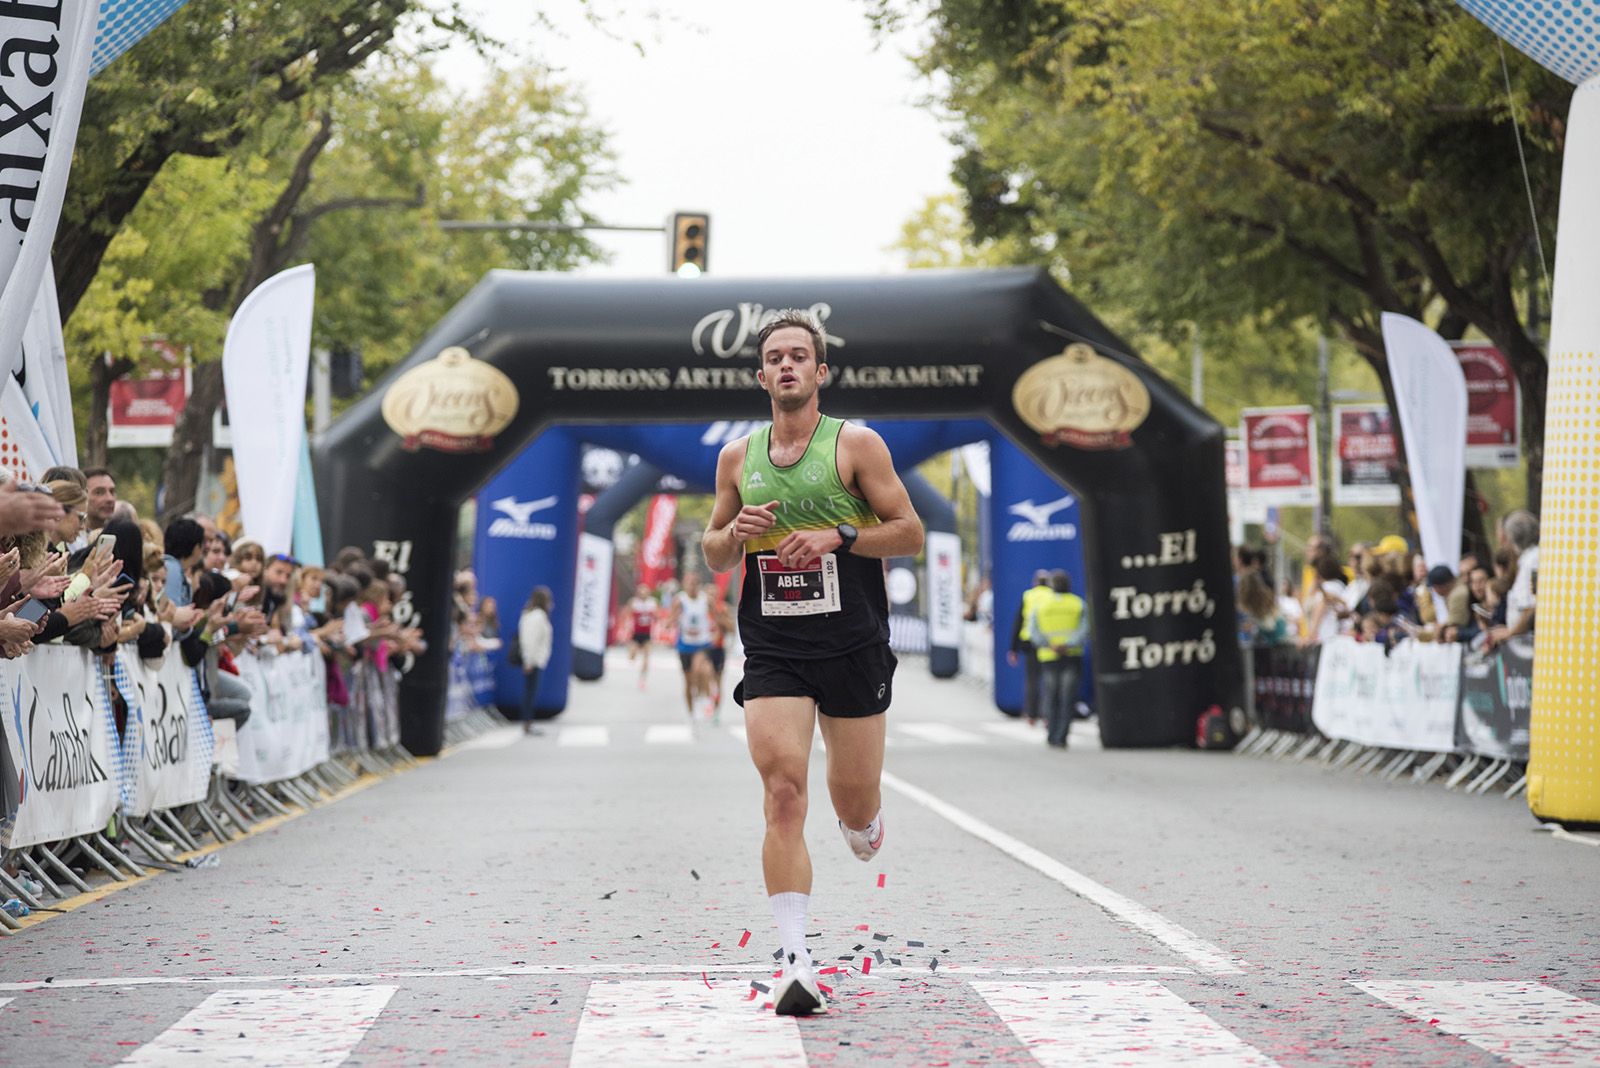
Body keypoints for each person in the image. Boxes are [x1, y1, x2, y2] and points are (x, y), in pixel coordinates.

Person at [701, 307, 924, 1017]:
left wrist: (840, 535)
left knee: (851, 806)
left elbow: (910, 532)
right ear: (762, 374)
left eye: (801, 355)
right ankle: (794, 959)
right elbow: (711, 549)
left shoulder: (855, 446)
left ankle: (864, 821)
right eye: (777, 357)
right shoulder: (738, 459)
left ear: (820, 372)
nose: (788, 365)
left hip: (854, 644)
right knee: (783, 791)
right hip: (775, 646)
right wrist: (734, 532)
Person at [1030, 570, 1086, 749]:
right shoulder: (1078, 604)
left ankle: (1051, 733)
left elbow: (1034, 630)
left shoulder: (1041, 605)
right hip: (1071, 655)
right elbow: (1085, 629)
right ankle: (1062, 735)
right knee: (1067, 697)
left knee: (1051, 695)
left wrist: (1048, 645)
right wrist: (1068, 644)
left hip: (1048, 656)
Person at [668, 570, 715, 721]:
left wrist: (718, 629)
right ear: (684, 584)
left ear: (699, 585)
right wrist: (673, 620)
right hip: (685, 644)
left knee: (701, 670)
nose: (692, 586)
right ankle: (691, 713)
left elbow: (717, 615)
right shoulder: (680, 600)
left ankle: (705, 698)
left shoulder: (706, 599)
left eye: (695, 583)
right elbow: (669, 621)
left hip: (703, 642)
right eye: (689, 583)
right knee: (688, 683)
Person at [1007, 569, 1051, 726]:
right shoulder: (1053, 597)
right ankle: (1047, 715)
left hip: (1029, 642)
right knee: (1048, 680)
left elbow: (1018, 622)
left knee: (1032, 680)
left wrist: (1013, 649)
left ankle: (1031, 715)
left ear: (1035, 582)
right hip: (1049, 643)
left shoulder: (1028, 596)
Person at [517, 587, 553, 734]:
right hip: (533, 660)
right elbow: (530, 640)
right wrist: (528, 661)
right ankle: (527, 722)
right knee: (530, 692)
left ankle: (528, 721)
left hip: (534, 659)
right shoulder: (537, 616)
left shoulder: (529, 614)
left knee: (530, 691)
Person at [624, 583, 658, 689]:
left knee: (647, 657)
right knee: (632, 655)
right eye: (641, 591)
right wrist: (626, 627)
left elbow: (657, 616)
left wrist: (653, 616)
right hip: (636, 633)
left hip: (647, 634)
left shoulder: (652, 602)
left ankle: (642, 680)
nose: (643, 593)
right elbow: (627, 614)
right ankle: (633, 656)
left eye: (645, 591)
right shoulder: (634, 602)